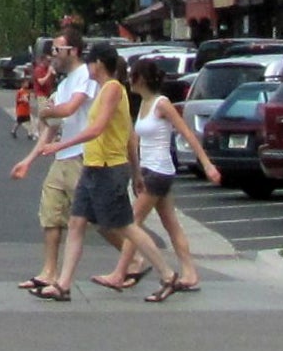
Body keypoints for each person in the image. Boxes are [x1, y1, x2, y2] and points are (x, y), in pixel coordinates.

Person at [26, 42, 181, 303]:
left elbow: (97, 129)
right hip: (93, 166)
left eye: (90, 62)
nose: (87, 67)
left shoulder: (111, 89)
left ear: (98, 64)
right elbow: (129, 135)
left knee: (125, 226)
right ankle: (63, 285)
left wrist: (61, 144)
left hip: (108, 168)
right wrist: (136, 172)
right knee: (76, 223)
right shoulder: (101, 90)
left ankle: (167, 275)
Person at [94, 58, 219, 293]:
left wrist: (207, 164)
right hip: (149, 170)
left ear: (140, 78)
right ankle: (190, 272)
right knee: (170, 224)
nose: (129, 80)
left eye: (132, 76)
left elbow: (187, 133)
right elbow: (136, 140)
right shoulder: (143, 104)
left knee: (131, 222)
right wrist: (135, 170)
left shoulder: (162, 103)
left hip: (159, 171)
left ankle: (121, 273)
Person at [9, 31, 98, 294]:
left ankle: (135, 259)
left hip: (83, 155)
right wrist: (28, 160)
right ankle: (49, 272)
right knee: (51, 213)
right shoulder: (65, 83)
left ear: (73, 50)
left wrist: (47, 110)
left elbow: (69, 109)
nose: (52, 56)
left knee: (100, 218)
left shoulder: (86, 77)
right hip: (62, 157)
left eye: (58, 50)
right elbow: (50, 126)